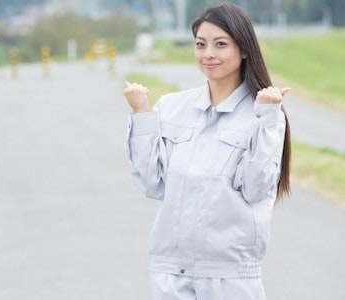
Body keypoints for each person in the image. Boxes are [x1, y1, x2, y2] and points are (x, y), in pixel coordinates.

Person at [123, 3, 291, 299]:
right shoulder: (172, 108)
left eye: (220, 44)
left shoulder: (263, 113)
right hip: (171, 271)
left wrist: (266, 117)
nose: (208, 54)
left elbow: (255, 189)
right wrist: (141, 113)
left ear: (244, 50)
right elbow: (152, 184)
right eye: (201, 44)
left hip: (230, 276)